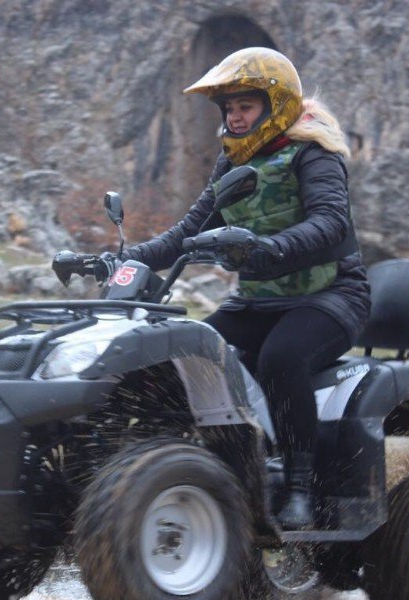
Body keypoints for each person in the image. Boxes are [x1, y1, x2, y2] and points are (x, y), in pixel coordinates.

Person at [111, 47, 370, 529]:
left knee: (282, 357)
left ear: (274, 107)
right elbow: (186, 234)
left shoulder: (315, 153)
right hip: (260, 300)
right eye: (228, 108)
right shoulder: (232, 161)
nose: (234, 116)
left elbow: (332, 223)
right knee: (189, 356)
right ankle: (211, 471)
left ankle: (298, 487)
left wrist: (266, 248)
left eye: (244, 106)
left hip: (331, 296)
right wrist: (121, 259)